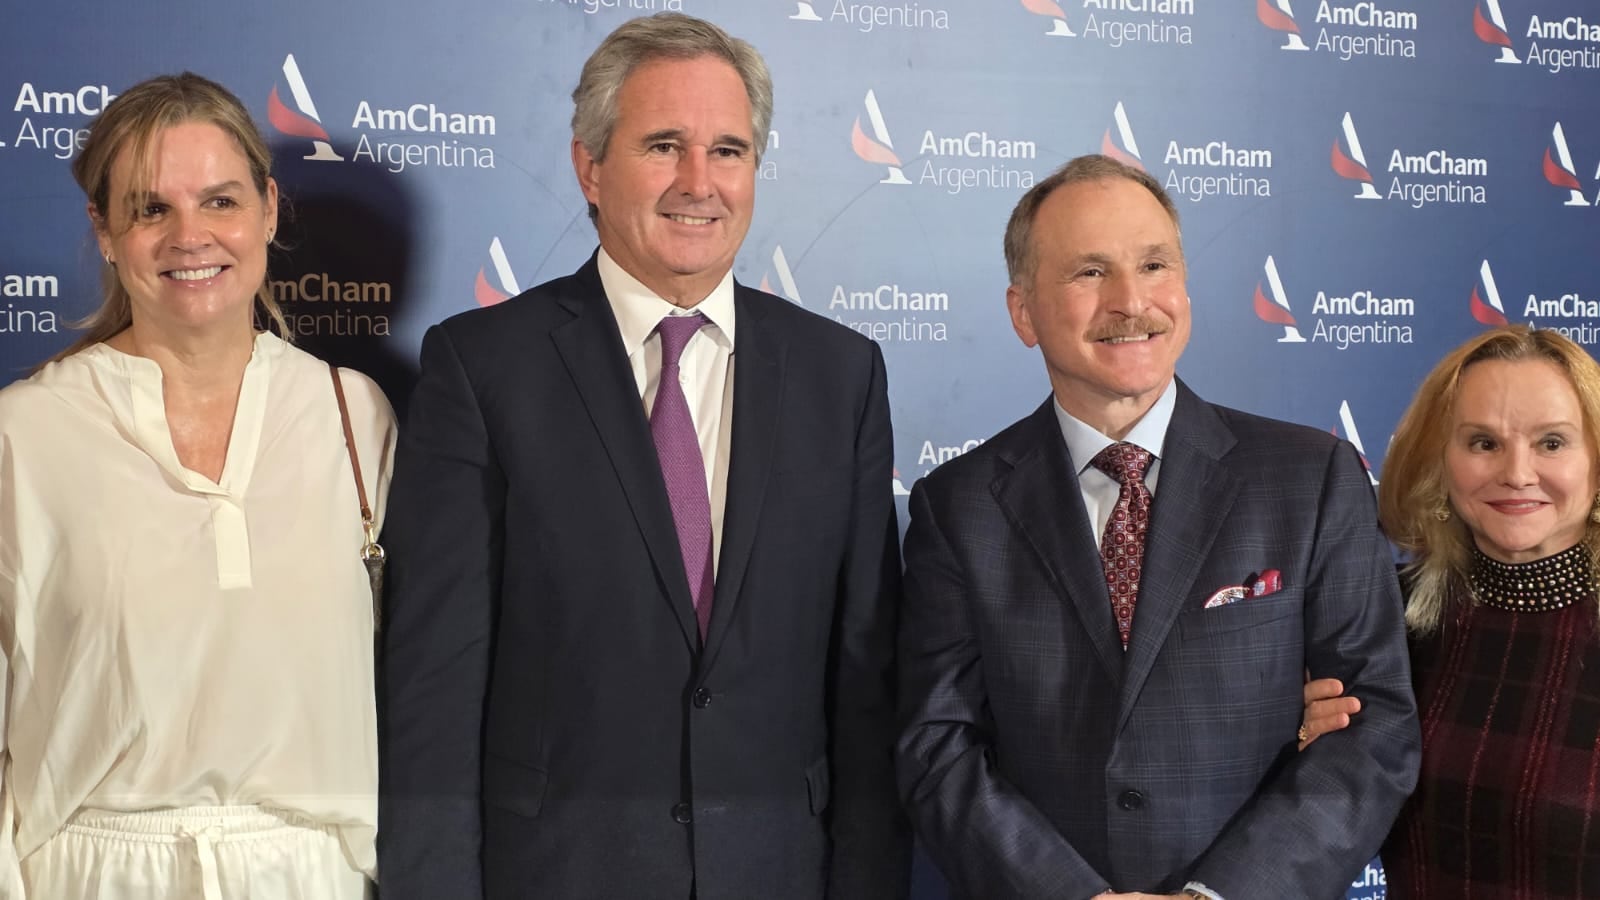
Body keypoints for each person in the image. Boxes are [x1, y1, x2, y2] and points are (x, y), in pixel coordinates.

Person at [377, 12, 907, 900]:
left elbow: (865, 685)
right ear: (590, 166)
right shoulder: (483, 367)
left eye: (728, 151)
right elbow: (436, 686)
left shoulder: (841, 374)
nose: (700, 182)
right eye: (664, 146)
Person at [894, 154, 1421, 900]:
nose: (1131, 301)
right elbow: (936, 745)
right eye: (1089, 272)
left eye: (1153, 265)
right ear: (1023, 312)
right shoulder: (958, 506)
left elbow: (1375, 729)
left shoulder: (1312, 478)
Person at [0, 73, 394, 898]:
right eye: (151, 209)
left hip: (312, 874)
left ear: (269, 210)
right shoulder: (24, 435)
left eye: (220, 201)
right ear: (104, 231)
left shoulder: (353, 414)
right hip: (91, 873)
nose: (190, 236)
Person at [1301, 325, 1600, 897]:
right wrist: (1298, 742)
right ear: (1440, 461)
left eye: (1552, 443)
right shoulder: (1379, 616)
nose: (1517, 473)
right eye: (1483, 443)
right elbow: (1325, 812)